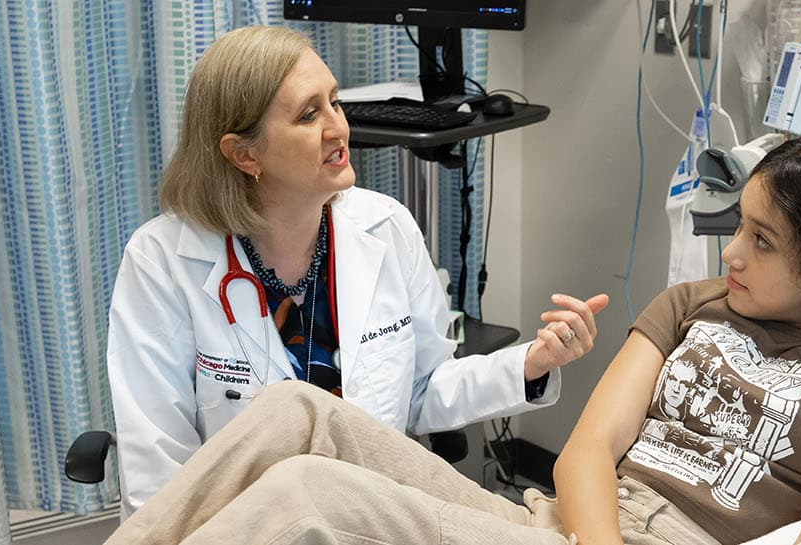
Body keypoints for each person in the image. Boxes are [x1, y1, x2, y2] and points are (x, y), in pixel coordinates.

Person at [102, 129, 801, 545]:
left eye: (761, 241)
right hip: (563, 523)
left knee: (305, 501)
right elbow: (584, 453)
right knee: (298, 413)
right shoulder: (694, 304)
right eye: (736, 226)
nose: (730, 252)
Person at [105, 25, 610, 516]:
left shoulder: (385, 227)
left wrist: (530, 364)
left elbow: (423, 390)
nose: (338, 127)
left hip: (374, 516)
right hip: (242, 524)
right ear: (243, 153)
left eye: (334, 101)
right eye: (308, 115)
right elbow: (159, 480)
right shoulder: (162, 262)